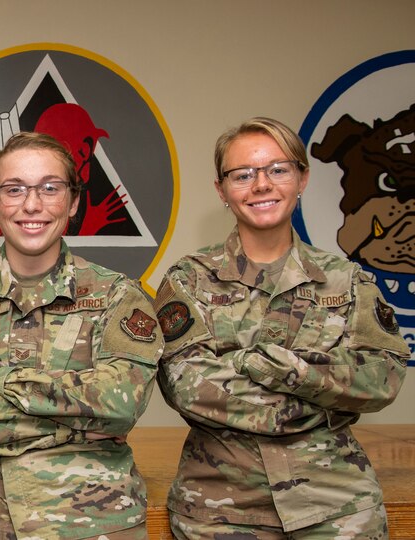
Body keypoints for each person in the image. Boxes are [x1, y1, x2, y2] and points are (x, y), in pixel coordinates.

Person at [154, 117, 408, 539]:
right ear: (221, 189)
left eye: (278, 169)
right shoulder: (189, 279)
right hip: (222, 508)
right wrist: (320, 396)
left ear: (302, 177)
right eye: (243, 175)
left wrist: (284, 369)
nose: (262, 185)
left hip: (337, 506)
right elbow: (187, 386)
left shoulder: (346, 280)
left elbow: (381, 377)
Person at [0, 132, 160, 539]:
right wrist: (76, 424)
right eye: (14, 189)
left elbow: (123, 402)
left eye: (49, 188)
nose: (32, 205)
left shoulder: (117, 296)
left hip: (96, 521)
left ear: (74, 202)